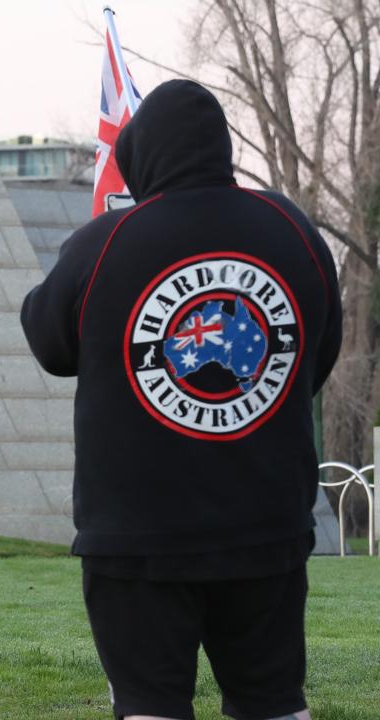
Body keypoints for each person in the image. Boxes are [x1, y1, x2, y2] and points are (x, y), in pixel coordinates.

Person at [20, 79, 342, 720]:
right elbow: (315, 358)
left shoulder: (106, 241)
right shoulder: (292, 230)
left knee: (150, 707)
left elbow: (48, 343)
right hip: (266, 532)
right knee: (274, 702)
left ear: (142, 157)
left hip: (137, 539)